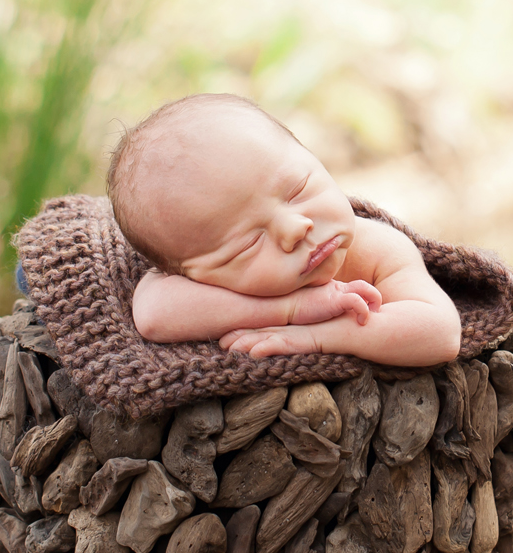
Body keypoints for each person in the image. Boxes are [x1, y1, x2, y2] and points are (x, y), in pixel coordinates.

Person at [102, 93, 462, 366]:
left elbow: (439, 331)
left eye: (297, 190)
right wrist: (294, 309)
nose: (295, 229)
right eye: (249, 243)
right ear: (192, 273)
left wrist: (319, 335)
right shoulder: (197, 278)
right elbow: (152, 314)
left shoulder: (375, 249)